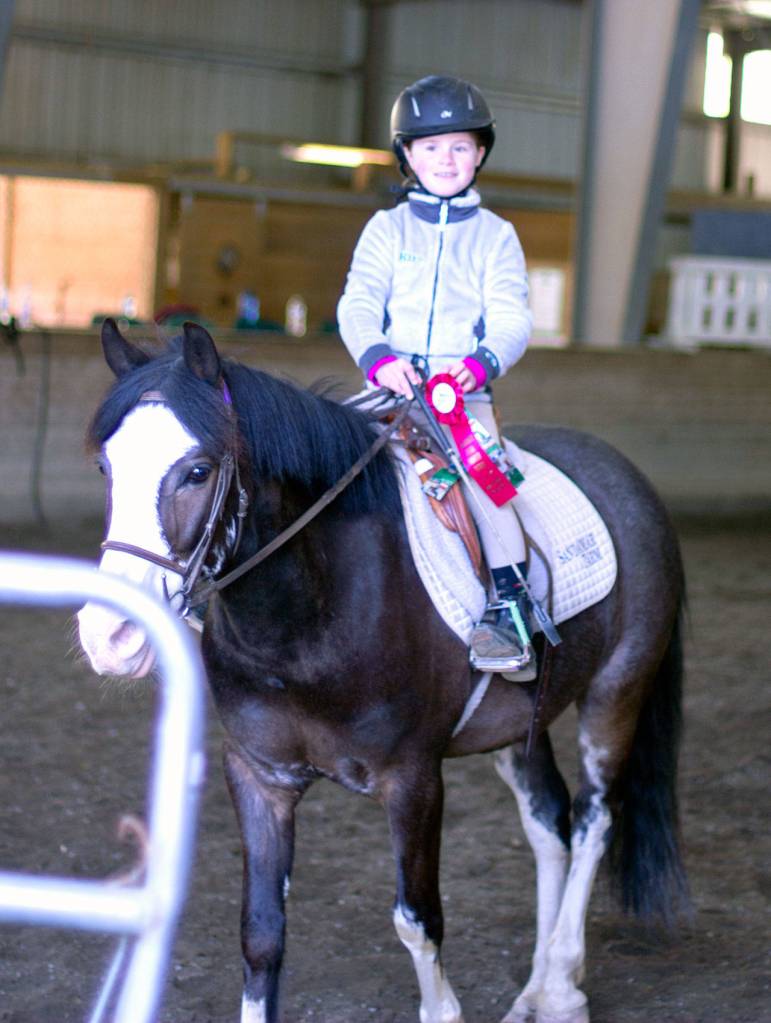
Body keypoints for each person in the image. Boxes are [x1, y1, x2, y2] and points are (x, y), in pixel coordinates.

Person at [337, 74, 534, 677]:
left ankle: (509, 604)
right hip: (387, 388)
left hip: (460, 398)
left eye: (459, 147)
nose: (445, 160)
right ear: (407, 155)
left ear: (479, 154)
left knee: (487, 481)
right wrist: (377, 357)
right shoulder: (386, 230)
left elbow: (512, 318)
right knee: (321, 462)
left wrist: (476, 365)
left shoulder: (497, 237)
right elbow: (358, 303)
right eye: (429, 147)